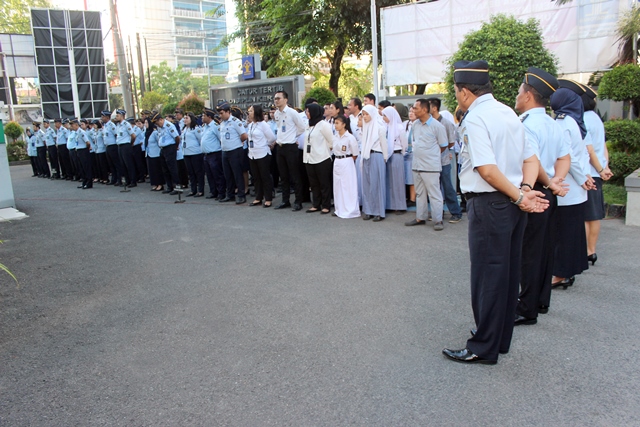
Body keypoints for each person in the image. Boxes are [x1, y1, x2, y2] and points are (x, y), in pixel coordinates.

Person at [442, 60, 548, 365]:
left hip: (491, 204)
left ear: (463, 92)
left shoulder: (475, 118)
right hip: (512, 205)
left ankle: (482, 346)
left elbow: (487, 171)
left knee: (487, 276)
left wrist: (520, 196)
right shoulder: (508, 113)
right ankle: (498, 339)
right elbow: (531, 159)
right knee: (507, 274)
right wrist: (525, 191)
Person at [514, 67, 571, 324]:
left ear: (527, 95)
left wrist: (551, 182)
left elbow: (533, 162)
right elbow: (564, 157)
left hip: (534, 191)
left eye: (518, 92)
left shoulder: (526, 124)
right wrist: (557, 181)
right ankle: (540, 301)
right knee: (545, 249)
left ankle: (526, 309)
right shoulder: (552, 122)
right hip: (549, 192)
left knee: (528, 252)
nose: (517, 96)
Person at [550, 80, 595, 288]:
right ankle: (567, 271)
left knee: (564, 233)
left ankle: (560, 274)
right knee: (571, 232)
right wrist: (585, 177)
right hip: (575, 187)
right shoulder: (572, 121)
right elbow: (579, 154)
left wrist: (582, 178)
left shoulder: (562, 123)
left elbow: (569, 157)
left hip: (567, 187)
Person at [404, 99, 447, 230]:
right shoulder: (415, 124)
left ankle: (438, 220)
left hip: (430, 167)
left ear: (424, 109)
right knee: (419, 194)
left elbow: (443, 145)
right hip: (416, 165)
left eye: (415, 108)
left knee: (434, 194)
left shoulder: (437, 126)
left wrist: (431, 156)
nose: (413, 110)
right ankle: (420, 217)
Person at [582, 85, 612, 266]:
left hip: (589, 173)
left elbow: (590, 149)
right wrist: (604, 167)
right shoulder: (596, 118)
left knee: (586, 216)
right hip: (597, 172)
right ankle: (591, 250)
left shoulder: (584, 119)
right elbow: (603, 146)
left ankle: (586, 251)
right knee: (594, 215)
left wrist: (599, 169)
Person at [427, 98, 463, 223]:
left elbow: (451, 141)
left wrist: (440, 150)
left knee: (448, 187)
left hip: (444, 160)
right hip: (431, 161)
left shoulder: (446, 123)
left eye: (429, 106)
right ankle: (437, 212)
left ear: (435, 108)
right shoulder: (428, 122)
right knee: (434, 189)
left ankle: (456, 212)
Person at [273, 90, 307, 211]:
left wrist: (293, 136)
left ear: (285, 100)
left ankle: (298, 201)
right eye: (275, 98)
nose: (276, 100)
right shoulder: (277, 114)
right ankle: (285, 200)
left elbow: (302, 127)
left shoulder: (292, 113)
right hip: (280, 147)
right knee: (283, 176)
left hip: (291, 147)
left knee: (294, 175)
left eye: (278, 98)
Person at [303, 103, 334, 214]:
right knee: (314, 183)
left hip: (322, 158)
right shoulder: (308, 125)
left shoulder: (323, 125)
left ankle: (326, 205)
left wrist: (326, 150)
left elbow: (331, 141)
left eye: (308, 111)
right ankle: (316, 204)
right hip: (309, 158)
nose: (306, 113)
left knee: (324, 183)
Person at [360, 105, 388, 221]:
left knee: (377, 184)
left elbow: (384, 144)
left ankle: (378, 212)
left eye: (367, 114)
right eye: (363, 114)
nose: (365, 117)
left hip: (377, 155)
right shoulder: (365, 127)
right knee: (367, 184)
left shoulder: (380, 127)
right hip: (366, 156)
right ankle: (368, 210)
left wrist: (385, 158)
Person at [217, 102, 249, 204]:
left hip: (235, 151)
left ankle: (241, 195)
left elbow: (244, 135)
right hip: (225, 151)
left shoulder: (235, 121)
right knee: (228, 175)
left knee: (237, 174)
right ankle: (230, 195)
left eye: (222, 113)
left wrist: (236, 142)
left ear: (228, 112)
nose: (220, 115)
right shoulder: (222, 123)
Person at [246, 104, 276, 207]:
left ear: (256, 112)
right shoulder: (250, 125)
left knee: (265, 176)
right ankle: (258, 197)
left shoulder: (263, 125)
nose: (249, 113)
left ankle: (268, 198)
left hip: (262, 154)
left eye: (251, 111)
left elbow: (272, 138)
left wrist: (265, 144)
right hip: (252, 154)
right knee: (256, 177)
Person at [332, 115, 360, 218]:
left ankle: (350, 209)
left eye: (338, 123)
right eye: (335, 123)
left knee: (348, 186)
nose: (335, 125)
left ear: (344, 125)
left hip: (347, 160)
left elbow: (355, 153)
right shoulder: (334, 137)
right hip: (337, 161)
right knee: (338, 186)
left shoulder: (350, 137)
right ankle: (339, 208)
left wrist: (347, 161)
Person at [381, 106, 408, 213]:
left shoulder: (399, 127)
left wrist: (402, 152)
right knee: (389, 181)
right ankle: (390, 205)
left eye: (385, 115)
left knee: (398, 181)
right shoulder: (385, 127)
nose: (383, 118)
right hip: (387, 156)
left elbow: (404, 143)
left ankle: (400, 206)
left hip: (396, 155)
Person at [152, 112, 181, 195]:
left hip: (170, 147)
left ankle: (177, 186)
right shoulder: (159, 127)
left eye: (157, 122)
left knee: (172, 168)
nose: (156, 124)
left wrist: (175, 146)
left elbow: (177, 137)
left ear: (161, 119)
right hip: (163, 148)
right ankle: (169, 186)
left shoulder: (169, 126)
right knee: (165, 169)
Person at [201, 108, 226, 200]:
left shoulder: (215, 126)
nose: (202, 117)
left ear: (209, 116)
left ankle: (221, 192)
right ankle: (213, 191)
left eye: (204, 115)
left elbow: (221, 139)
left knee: (217, 174)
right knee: (210, 175)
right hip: (206, 155)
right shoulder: (204, 126)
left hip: (214, 154)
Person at [181, 112, 205, 197]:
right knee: (190, 173)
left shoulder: (196, 128)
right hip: (186, 153)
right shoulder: (184, 129)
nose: (185, 119)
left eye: (187, 118)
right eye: (184, 118)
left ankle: (201, 190)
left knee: (198, 172)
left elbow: (200, 140)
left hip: (195, 153)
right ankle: (193, 189)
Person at [115, 110, 138, 187]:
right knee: (123, 164)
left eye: (118, 115)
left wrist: (130, 143)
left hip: (126, 145)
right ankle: (127, 180)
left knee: (129, 164)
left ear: (122, 116)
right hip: (120, 146)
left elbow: (133, 136)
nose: (116, 117)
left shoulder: (126, 124)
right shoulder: (118, 125)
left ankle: (133, 181)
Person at [71, 118, 93, 189]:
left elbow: (88, 142)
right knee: (81, 168)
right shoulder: (76, 133)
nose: (71, 126)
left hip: (83, 151)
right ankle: (84, 181)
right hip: (79, 151)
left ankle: (89, 183)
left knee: (86, 167)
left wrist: (86, 149)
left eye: (72, 125)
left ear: (76, 125)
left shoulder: (81, 132)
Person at [101, 110, 122, 186]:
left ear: (107, 117)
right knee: (111, 164)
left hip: (113, 146)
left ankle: (119, 179)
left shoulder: (111, 125)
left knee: (116, 164)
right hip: (107, 146)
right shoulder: (105, 125)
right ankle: (114, 179)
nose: (102, 118)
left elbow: (116, 135)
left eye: (103, 117)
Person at [146, 121, 165, 192]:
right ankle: (154, 184)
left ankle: (160, 184)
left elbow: (159, 142)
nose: (145, 124)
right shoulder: (147, 132)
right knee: (151, 170)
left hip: (156, 153)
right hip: (149, 153)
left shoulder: (154, 132)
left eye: (146, 123)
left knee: (157, 170)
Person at [92, 120, 108, 184]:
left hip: (102, 149)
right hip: (97, 150)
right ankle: (101, 177)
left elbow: (104, 139)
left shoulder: (101, 131)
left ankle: (105, 178)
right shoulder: (96, 132)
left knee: (103, 165)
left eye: (95, 124)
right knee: (98, 165)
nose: (94, 126)